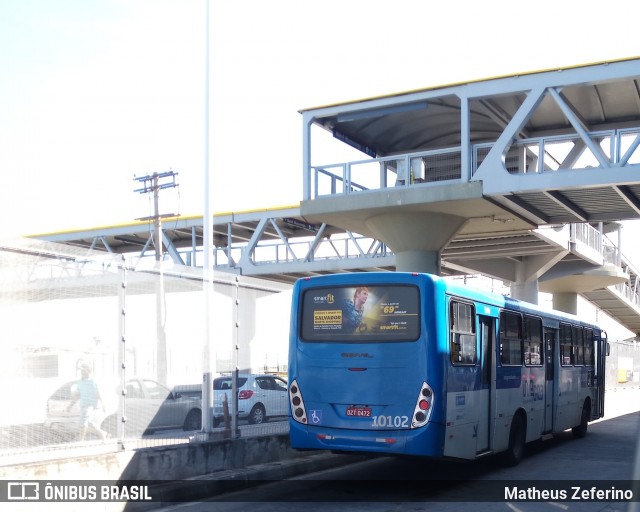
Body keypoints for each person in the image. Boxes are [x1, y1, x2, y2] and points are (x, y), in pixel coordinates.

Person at [67, 364, 109, 441]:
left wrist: (103, 405)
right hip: (83, 404)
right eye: (81, 370)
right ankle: (102, 433)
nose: (82, 372)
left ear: (88, 371)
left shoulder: (93, 381)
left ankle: (81, 440)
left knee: (83, 421)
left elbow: (98, 393)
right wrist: (70, 405)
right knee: (89, 422)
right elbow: (78, 395)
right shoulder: (80, 382)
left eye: (84, 370)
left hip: (90, 405)